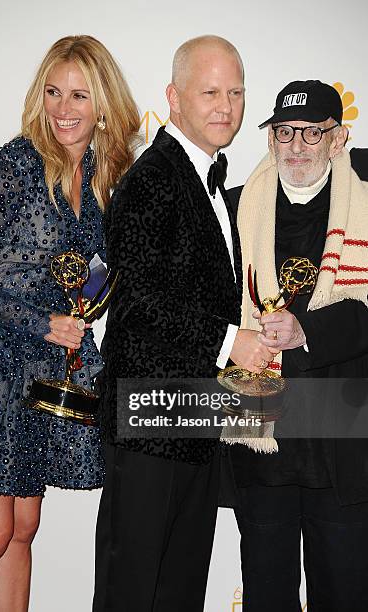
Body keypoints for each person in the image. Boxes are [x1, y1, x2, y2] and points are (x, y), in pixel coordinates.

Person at [0, 35, 139, 611]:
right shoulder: (16, 165)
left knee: (22, 528)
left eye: (80, 96)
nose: (64, 109)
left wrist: (89, 299)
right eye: (54, 93)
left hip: (37, 373)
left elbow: (91, 280)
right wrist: (41, 322)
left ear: (103, 106)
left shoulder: (101, 178)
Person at [93, 35, 275, 612]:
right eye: (211, 92)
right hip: (150, 420)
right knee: (134, 590)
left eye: (237, 92)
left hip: (193, 419)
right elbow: (134, 303)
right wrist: (231, 342)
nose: (226, 106)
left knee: (179, 590)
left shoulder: (210, 179)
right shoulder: (153, 178)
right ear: (173, 98)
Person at [226, 80, 368, 611]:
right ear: (269, 139)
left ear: (339, 139)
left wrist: (310, 330)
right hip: (264, 442)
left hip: (343, 444)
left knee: (346, 593)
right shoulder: (238, 209)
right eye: (285, 132)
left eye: (313, 134)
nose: (297, 146)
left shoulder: (367, 206)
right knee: (266, 594)